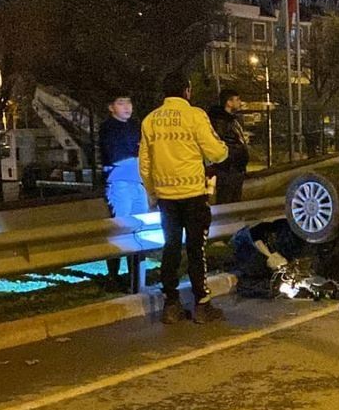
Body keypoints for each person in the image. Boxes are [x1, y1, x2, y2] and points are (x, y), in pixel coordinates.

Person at [139, 71, 230, 325]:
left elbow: (144, 165)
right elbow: (216, 151)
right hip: (193, 194)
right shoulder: (195, 115)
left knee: (170, 247)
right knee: (195, 248)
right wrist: (223, 151)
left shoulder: (150, 121)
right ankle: (202, 304)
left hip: (166, 197)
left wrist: (153, 192)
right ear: (187, 91)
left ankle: (171, 304)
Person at [98, 94, 151, 289]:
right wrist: (136, 153)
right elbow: (117, 155)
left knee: (139, 229)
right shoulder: (108, 127)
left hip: (138, 182)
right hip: (119, 183)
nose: (127, 107)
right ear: (111, 107)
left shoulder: (135, 126)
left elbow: (143, 151)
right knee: (121, 230)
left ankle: (135, 277)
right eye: (121, 103)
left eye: (128, 102)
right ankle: (113, 276)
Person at [208, 90, 250, 205]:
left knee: (234, 201)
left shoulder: (230, 119)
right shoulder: (221, 121)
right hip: (228, 168)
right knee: (227, 200)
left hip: (234, 167)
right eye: (237, 99)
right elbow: (222, 142)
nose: (240, 102)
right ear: (229, 102)